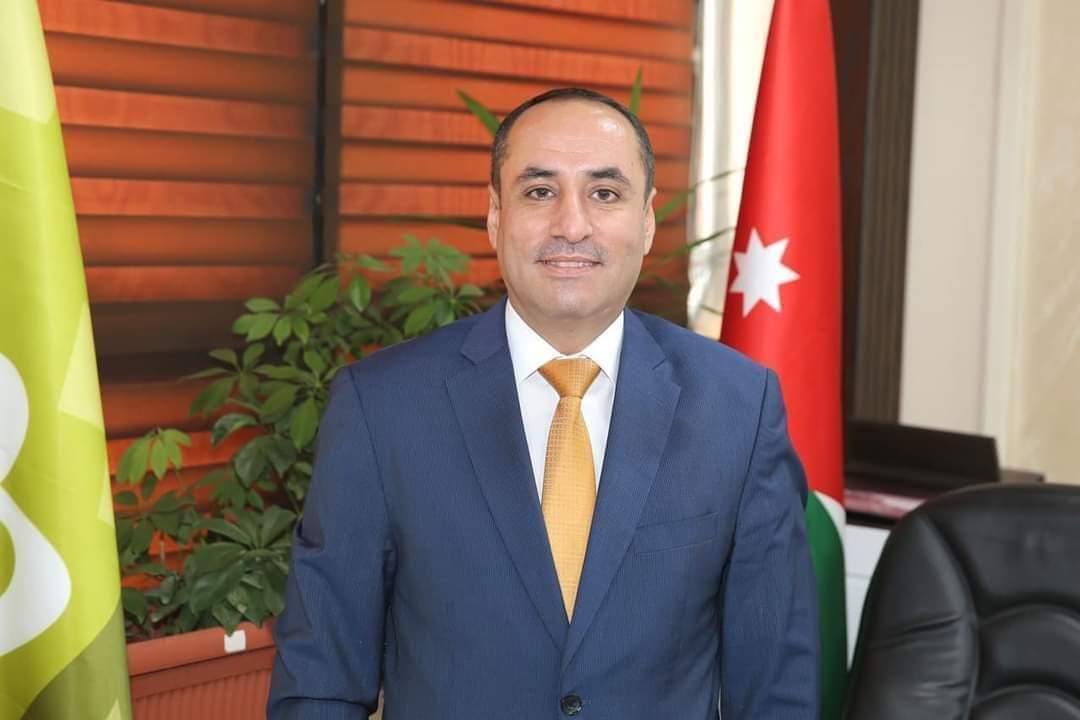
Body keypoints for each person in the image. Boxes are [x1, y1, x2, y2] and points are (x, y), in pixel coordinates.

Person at [267, 88, 818, 719]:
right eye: (538, 191)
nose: (571, 225)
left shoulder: (738, 407)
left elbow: (775, 688)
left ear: (646, 222)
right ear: (495, 216)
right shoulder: (382, 407)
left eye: (604, 193)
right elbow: (321, 680)